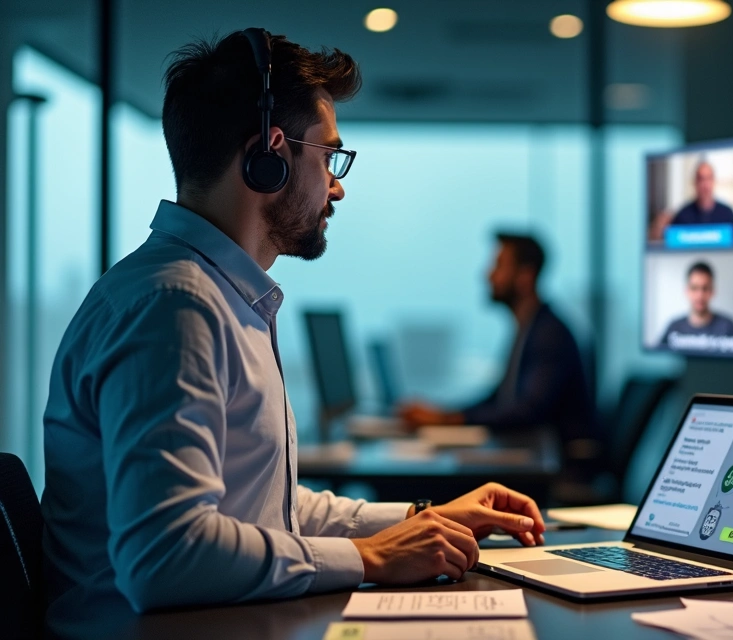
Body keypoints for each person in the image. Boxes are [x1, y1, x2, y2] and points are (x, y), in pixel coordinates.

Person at [40, 30, 546, 627]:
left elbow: (263, 509)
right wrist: (367, 558)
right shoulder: (175, 305)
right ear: (269, 154)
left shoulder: (220, 298)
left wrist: (420, 518)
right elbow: (165, 556)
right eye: (328, 156)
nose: (337, 185)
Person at [399, 233, 594, 445]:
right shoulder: (528, 328)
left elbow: (529, 411)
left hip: (558, 465)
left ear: (525, 276)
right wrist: (446, 415)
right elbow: (501, 398)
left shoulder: (549, 334)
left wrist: (450, 419)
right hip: (535, 452)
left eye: (499, 266)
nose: (488, 275)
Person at [659, 261, 733, 353]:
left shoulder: (728, 327)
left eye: (705, 288)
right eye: (694, 288)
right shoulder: (674, 328)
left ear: (712, 291)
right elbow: (657, 359)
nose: (700, 295)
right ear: (687, 291)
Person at [669, 161, 733, 239]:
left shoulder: (727, 214)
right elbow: (671, 242)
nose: (705, 185)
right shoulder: (683, 215)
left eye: (709, 178)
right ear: (695, 182)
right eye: (701, 179)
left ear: (714, 181)